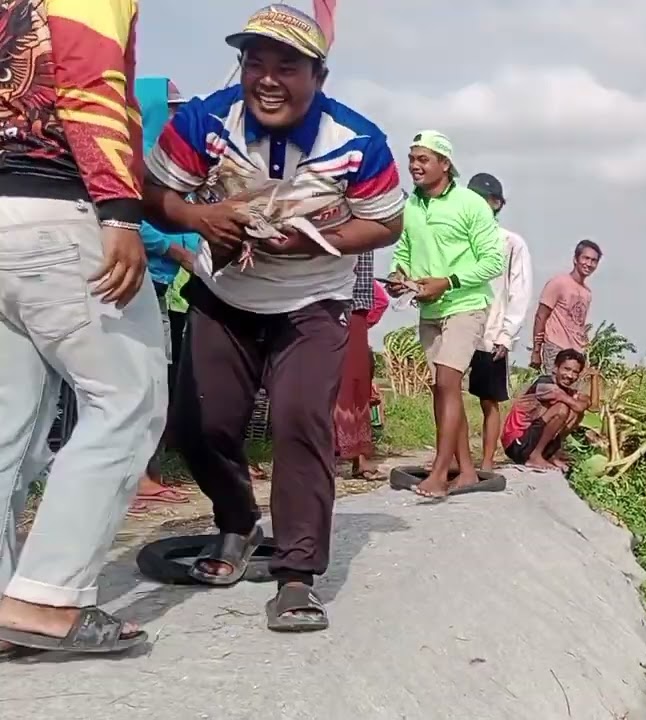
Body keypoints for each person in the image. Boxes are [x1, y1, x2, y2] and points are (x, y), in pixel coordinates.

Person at [143, 4, 405, 632]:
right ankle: (237, 521)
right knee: (196, 426)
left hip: (312, 303)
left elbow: (387, 220)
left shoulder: (359, 142)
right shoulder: (208, 118)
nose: (267, 78)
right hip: (225, 292)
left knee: (298, 424)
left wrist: (321, 241)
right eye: (254, 62)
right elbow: (155, 192)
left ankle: (295, 576)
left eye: (286, 66)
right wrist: (202, 219)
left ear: (318, 75)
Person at [0, 0, 164, 655]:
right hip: (53, 207)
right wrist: (120, 215)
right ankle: (44, 600)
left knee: (7, 422)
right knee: (128, 399)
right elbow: (91, 86)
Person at [386, 131, 504, 500]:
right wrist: (397, 274)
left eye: (424, 159)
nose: (415, 166)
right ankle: (466, 471)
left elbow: (493, 261)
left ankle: (439, 472)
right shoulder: (411, 206)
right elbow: (403, 247)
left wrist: (448, 281)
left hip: (465, 304)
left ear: (445, 164)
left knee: (446, 381)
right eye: (412, 158)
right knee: (444, 387)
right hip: (428, 307)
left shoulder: (471, 204)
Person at [129, 76, 201, 516]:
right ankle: (137, 479)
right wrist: (177, 250)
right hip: (132, 278)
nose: (177, 116)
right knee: (139, 380)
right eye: (171, 108)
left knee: (156, 380)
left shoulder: (164, 160)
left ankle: (148, 476)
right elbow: (134, 219)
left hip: (156, 281)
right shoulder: (134, 159)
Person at [464, 173, 532, 471]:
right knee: (446, 392)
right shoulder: (457, 239)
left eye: (485, 200)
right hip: (458, 326)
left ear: (497, 204)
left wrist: (507, 335)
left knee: (489, 400)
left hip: (491, 332)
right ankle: (453, 456)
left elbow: (519, 291)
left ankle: (488, 461)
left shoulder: (510, 243)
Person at [502, 349, 597, 470]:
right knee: (562, 408)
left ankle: (550, 454)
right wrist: (580, 403)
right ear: (556, 368)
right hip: (516, 444)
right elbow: (578, 405)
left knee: (576, 414)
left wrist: (595, 378)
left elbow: (593, 407)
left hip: (530, 442)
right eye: (566, 369)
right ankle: (535, 457)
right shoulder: (545, 385)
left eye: (575, 372)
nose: (570, 375)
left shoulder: (565, 389)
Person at [333, 252, 379, 480]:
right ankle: (325, 454)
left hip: (352, 305)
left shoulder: (365, 220)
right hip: (315, 300)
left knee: (356, 381)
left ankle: (358, 456)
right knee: (323, 382)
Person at [531, 239, 601, 372]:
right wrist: (536, 351)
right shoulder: (559, 283)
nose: (589, 264)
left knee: (572, 392)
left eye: (594, 260)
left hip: (576, 351)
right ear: (575, 259)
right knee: (555, 390)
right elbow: (541, 316)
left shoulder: (587, 293)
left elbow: (578, 324)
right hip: (556, 347)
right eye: (585, 258)